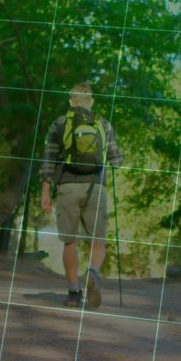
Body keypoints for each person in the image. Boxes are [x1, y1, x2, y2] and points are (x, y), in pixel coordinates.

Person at [40, 82, 122, 308]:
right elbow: (117, 160)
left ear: (71, 101)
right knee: (97, 240)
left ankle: (74, 293)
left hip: (67, 187)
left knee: (69, 242)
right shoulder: (104, 124)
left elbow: (49, 160)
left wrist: (45, 191)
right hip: (95, 188)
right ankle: (93, 272)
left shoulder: (59, 124)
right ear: (91, 101)